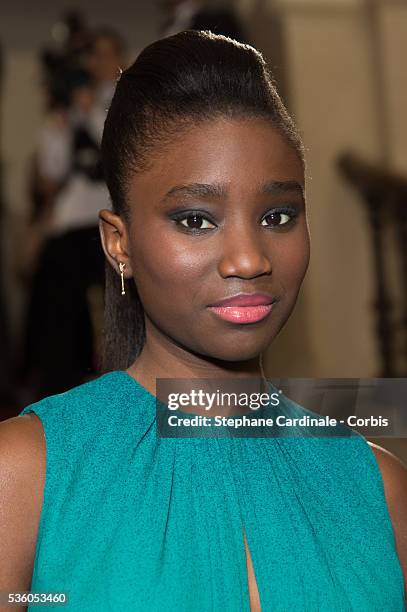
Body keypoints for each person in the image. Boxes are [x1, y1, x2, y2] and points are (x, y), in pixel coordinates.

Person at [0, 31, 406, 610]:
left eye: (278, 214)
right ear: (120, 243)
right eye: (195, 220)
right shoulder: (23, 478)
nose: (249, 258)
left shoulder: (379, 489)